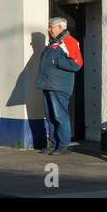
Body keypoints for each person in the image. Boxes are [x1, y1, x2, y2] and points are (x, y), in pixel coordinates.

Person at [35, 17, 83, 155]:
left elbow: (77, 63)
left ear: (61, 27)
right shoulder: (54, 43)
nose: (49, 30)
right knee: (50, 116)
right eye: (49, 27)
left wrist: (56, 61)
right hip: (49, 84)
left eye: (51, 27)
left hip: (59, 86)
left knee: (60, 115)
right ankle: (54, 144)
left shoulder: (69, 41)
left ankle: (64, 146)